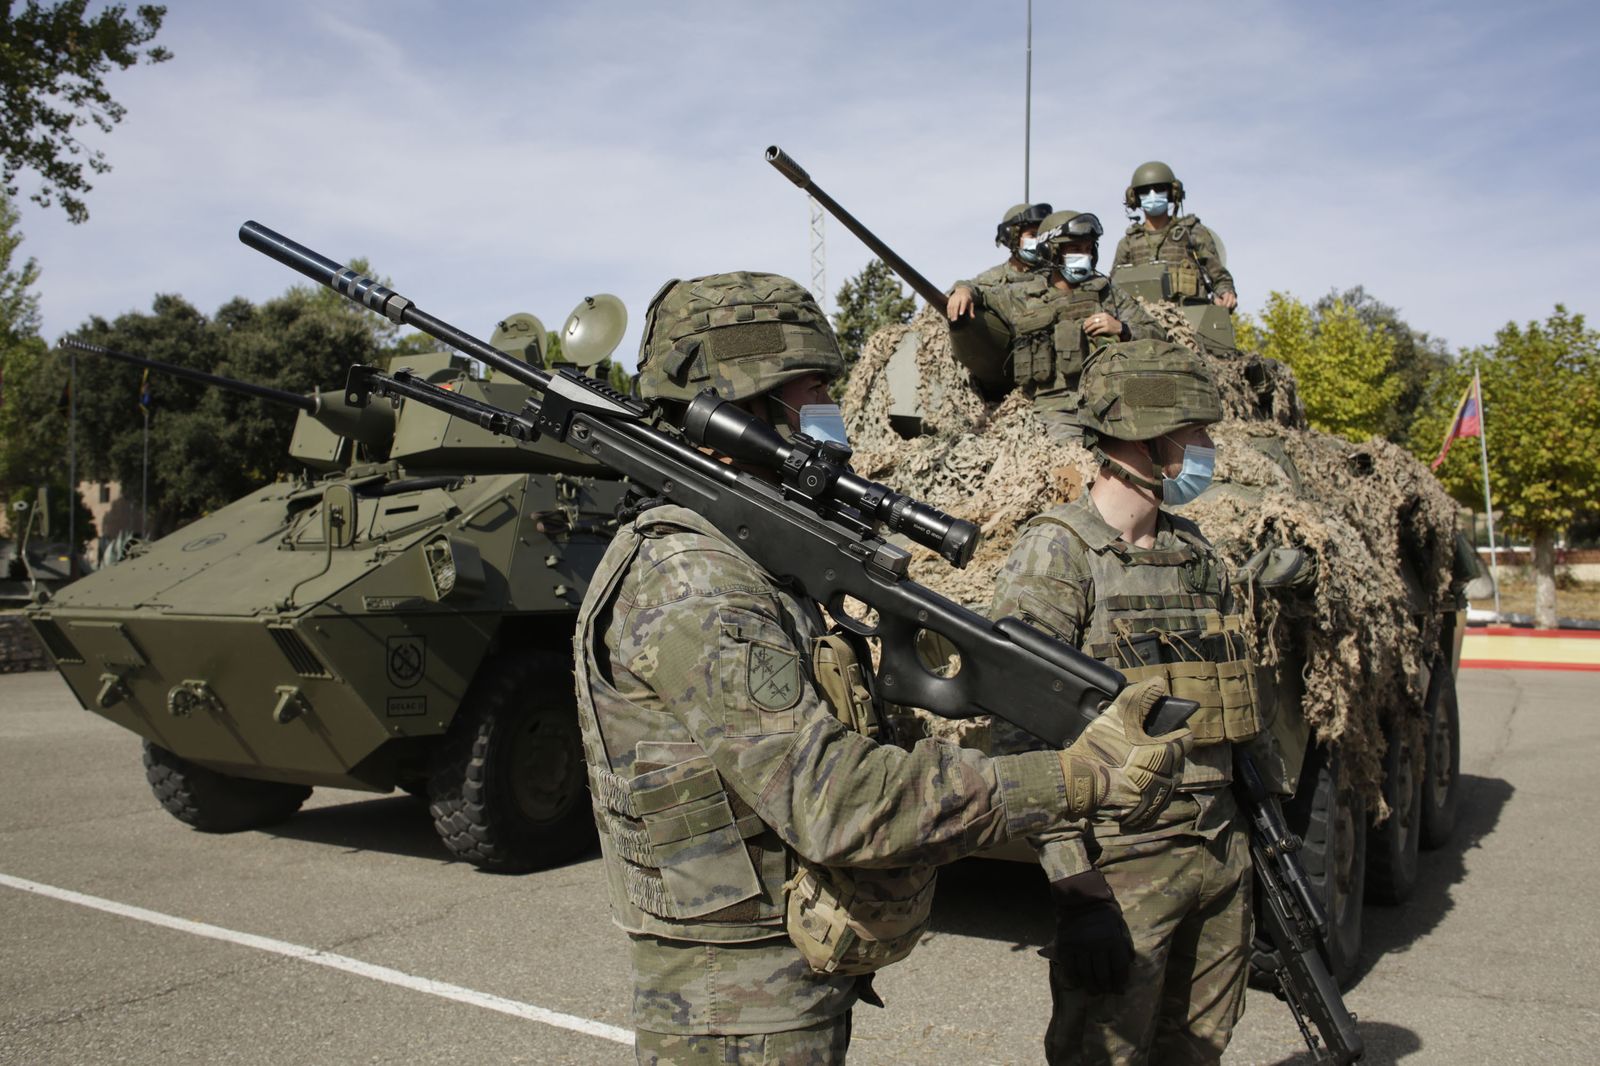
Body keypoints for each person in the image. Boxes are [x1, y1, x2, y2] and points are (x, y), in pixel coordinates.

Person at [577, 270, 1191, 1065]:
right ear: (737, 408)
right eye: (813, 392)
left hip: (780, 979)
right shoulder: (694, 579)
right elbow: (831, 799)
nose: (833, 413)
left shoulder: (749, 556)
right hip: (734, 1009)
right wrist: (1069, 779)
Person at [990, 343, 1268, 1065]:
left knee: (1198, 1049)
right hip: (1122, 859)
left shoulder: (1198, 551)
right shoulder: (1060, 552)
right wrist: (1075, 886)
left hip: (1218, 843)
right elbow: (1019, 728)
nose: (1208, 451)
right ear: (1151, 438)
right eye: (1197, 436)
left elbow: (1226, 692)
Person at [947, 210, 1162, 442]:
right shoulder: (1023, 296)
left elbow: (1158, 334)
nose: (1085, 256)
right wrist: (962, 290)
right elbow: (980, 292)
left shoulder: (1107, 293)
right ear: (1052, 251)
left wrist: (1123, 329)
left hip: (1109, 403)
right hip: (1055, 410)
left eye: (1089, 249)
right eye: (1075, 250)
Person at [1111, 161, 1236, 311]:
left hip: (1190, 317)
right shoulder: (1129, 243)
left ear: (1172, 192)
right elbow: (1115, 286)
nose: (1152, 195)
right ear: (1135, 197)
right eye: (1145, 191)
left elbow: (1218, 275)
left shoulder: (1191, 232)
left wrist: (1226, 292)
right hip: (1143, 321)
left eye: (1159, 189)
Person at [972, 200, 1053, 285]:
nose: (1039, 241)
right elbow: (970, 287)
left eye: (1042, 236)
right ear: (1013, 238)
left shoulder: (1055, 278)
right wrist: (963, 288)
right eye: (1032, 235)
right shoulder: (992, 279)